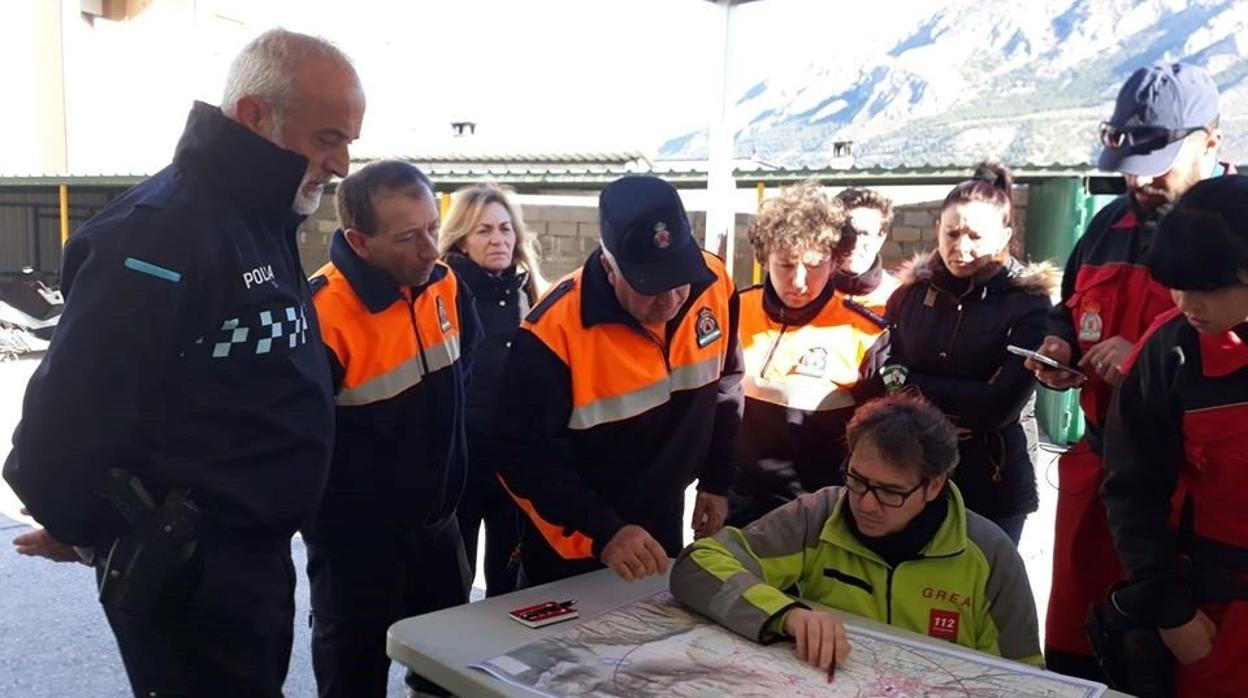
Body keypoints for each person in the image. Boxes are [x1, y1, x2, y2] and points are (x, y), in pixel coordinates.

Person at [3, 28, 363, 697]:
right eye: (327, 138)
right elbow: (61, 427)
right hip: (193, 571)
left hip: (250, 563)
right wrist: (84, 527)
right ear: (256, 117)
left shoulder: (260, 218)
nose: (341, 164)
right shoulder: (159, 233)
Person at [1027, 62, 1231, 679]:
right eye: (1131, 164)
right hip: (1099, 477)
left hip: (1196, 497)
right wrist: (1058, 352)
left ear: (1212, 141)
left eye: (1160, 159)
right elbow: (1069, 310)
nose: (1140, 181)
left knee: (1179, 662)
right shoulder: (1106, 226)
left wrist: (1141, 354)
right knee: (1079, 654)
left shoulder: (1236, 232)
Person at [672, 393, 1042, 676]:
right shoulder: (818, 516)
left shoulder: (990, 554)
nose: (865, 504)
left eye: (890, 492)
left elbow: (1025, 674)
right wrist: (787, 615)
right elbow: (697, 566)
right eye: (857, 480)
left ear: (934, 486)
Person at [494, 175, 744, 586]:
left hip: (661, 526)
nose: (669, 300)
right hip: (574, 544)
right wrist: (605, 532)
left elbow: (727, 387)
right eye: (649, 286)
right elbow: (522, 458)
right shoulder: (551, 332)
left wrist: (718, 480)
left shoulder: (714, 285)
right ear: (609, 268)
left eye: (678, 278)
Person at [303, 160, 479, 697]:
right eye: (408, 237)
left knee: (447, 679)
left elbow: (461, 370)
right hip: (354, 551)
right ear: (359, 242)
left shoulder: (446, 286)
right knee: (353, 682)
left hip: (439, 531)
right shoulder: (320, 314)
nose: (431, 248)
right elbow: (301, 447)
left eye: (433, 226)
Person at [1101, 175, 1248, 697]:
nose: (1186, 303)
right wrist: (1170, 609)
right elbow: (1132, 490)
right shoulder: (1169, 354)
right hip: (1215, 614)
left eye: (1203, 289)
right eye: (1176, 286)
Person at [884, 161, 1056, 545]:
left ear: (1004, 236)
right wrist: (951, 401)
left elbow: (1000, 405)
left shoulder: (1028, 305)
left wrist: (913, 389)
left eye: (975, 236)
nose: (961, 248)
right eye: (952, 233)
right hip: (914, 472)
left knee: (984, 596)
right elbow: (885, 370)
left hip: (992, 480)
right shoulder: (910, 295)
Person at [726, 182, 890, 527]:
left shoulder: (866, 332)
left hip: (814, 517)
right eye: (785, 264)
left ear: (834, 261)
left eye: (814, 265)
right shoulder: (734, 312)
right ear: (764, 257)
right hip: (730, 506)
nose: (799, 280)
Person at [438, 183, 545, 597]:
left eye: (504, 229)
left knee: (508, 581)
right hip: (459, 465)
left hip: (512, 464)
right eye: (483, 230)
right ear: (462, 238)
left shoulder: (529, 293)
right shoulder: (442, 291)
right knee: (449, 584)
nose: (498, 239)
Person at [834, 187, 901, 315]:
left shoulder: (901, 296)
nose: (855, 243)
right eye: (847, 233)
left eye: (865, 234)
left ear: (881, 237)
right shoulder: (807, 293)